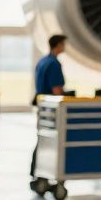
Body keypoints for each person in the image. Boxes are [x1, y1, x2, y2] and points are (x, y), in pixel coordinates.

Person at [31, 34, 67, 179]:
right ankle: (43, 171)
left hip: (42, 107)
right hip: (52, 109)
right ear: (58, 45)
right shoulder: (54, 64)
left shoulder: (42, 61)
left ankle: (37, 170)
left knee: (43, 139)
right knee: (53, 140)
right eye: (64, 44)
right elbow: (56, 90)